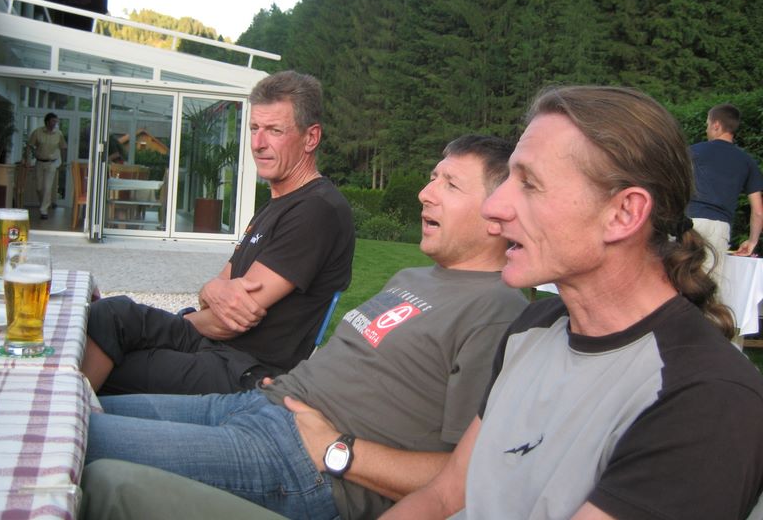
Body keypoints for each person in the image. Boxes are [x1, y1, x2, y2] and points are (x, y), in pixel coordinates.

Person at [81, 135, 529, 520]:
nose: (425, 193)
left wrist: (338, 450)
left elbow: (465, 476)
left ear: (498, 213)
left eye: (450, 184)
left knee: (76, 444)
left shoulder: (496, 310)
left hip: (300, 462)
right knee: (73, 410)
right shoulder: (412, 278)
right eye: (433, 178)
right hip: (259, 404)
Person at [381, 86, 763, 520]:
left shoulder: (705, 400)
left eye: (529, 183)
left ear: (624, 213)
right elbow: (446, 495)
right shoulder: (534, 327)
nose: (494, 207)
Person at [82, 71, 355, 395]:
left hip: (243, 369)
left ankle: (65, 420)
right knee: (109, 315)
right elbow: (215, 293)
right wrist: (211, 290)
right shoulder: (275, 206)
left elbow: (229, 321)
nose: (258, 144)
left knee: (116, 360)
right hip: (213, 345)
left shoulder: (317, 210)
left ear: (311, 138)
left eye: (274, 131)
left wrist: (181, 322)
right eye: (254, 128)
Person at [687, 103, 763, 294]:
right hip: (719, 228)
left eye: (707, 124)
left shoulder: (692, 151)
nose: (706, 129)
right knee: (708, 288)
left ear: (716, 125)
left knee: (676, 278)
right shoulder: (747, 162)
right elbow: (758, 211)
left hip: (687, 222)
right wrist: (752, 241)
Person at [27, 112, 67, 220]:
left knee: (47, 187)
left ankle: (44, 210)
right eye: (53, 121)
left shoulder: (58, 134)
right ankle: (43, 204)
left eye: (56, 121)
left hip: (51, 163)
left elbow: (63, 147)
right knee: (39, 187)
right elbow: (30, 145)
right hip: (39, 162)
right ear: (47, 121)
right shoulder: (37, 132)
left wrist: (62, 163)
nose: (55, 123)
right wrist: (28, 159)